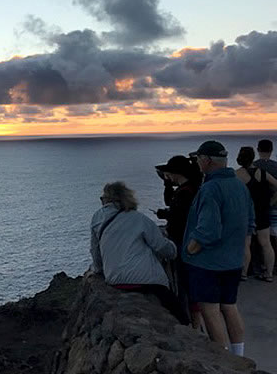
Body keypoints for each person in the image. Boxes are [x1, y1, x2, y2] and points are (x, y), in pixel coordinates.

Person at [184, 141, 255, 356]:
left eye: (198, 159)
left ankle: (223, 361)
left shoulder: (211, 188)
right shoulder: (240, 186)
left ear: (206, 161)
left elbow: (208, 230)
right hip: (233, 261)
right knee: (230, 307)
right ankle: (239, 357)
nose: (197, 162)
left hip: (208, 264)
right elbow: (250, 222)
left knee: (210, 311)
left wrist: (190, 249)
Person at [90, 181, 188, 325]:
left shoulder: (97, 218)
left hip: (115, 279)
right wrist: (174, 250)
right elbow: (161, 246)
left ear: (106, 200)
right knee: (177, 313)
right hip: (145, 280)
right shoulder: (138, 219)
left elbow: (95, 250)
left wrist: (99, 270)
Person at [154, 155, 202, 327]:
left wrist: (166, 214)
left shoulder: (185, 193)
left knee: (185, 285)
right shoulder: (191, 188)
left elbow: (178, 215)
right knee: (187, 284)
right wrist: (167, 184)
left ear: (175, 172)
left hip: (183, 242)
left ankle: (190, 323)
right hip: (186, 240)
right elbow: (172, 204)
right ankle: (192, 322)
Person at [235, 146, 277, 281]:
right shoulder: (262, 173)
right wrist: (272, 201)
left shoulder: (236, 175)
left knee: (245, 244)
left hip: (245, 213)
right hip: (262, 211)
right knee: (266, 243)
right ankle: (269, 274)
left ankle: (244, 273)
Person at [254, 139, 277, 270]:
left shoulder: (254, 166)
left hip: (259, 207)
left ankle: (263, 265)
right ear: (271, 150)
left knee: (261, 240)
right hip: (275, 206)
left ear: (258, 149)